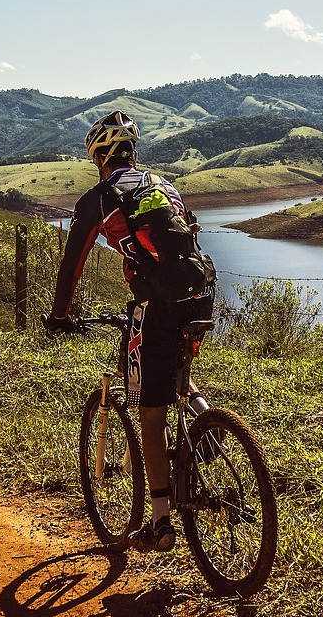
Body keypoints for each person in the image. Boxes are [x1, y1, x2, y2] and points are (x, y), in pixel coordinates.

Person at [46, 111, 216, 553]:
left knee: (151, 410)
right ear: (133, 153)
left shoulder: (100, 198)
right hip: (200, 295)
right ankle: (211, 427)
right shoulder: (163, 185)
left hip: (155, 306)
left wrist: (60, 315)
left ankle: (159, 522)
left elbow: (72, 266)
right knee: (178, 374)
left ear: (98, 159)